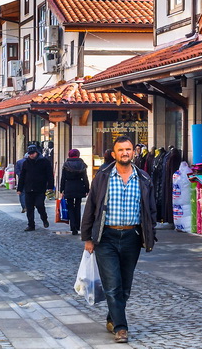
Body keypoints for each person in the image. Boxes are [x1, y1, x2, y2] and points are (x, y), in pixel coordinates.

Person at [81, 136, 157, 344]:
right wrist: (87, 237)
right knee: (112, 285)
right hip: (106, 238)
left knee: (125, 286)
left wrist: (149, 233)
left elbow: (150, 209)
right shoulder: (103, 177)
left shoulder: (143, 178)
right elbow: (91, 208)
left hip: (132, 237)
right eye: (121, 150)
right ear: (114, 154)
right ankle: (121, 328)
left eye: (128, 149)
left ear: (134, 152)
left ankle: (112, 317)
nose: (125, 153)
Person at [16, 143, 52, 231]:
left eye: (33, 153)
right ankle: (31, 225)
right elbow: (22, 176)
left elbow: (50, 175)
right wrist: (19, 188)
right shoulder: (26, 163)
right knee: (29, 208)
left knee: (40, 205)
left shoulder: (44, 162)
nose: (31, 155)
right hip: (28, 188)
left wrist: (50, 186)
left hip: (40, 188)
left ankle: (44, 219)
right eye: (30, 153)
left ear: (37, 152)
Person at [60, 149, 89, 235]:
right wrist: (87, 189)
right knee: (78, 206)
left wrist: (62, 189)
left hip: (69, 186)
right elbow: (85, 178)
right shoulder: (82, 165)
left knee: (70, 207)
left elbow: (63, 178)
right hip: (79, 186)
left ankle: (73, 227)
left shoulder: (66, 164)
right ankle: (77, 225)